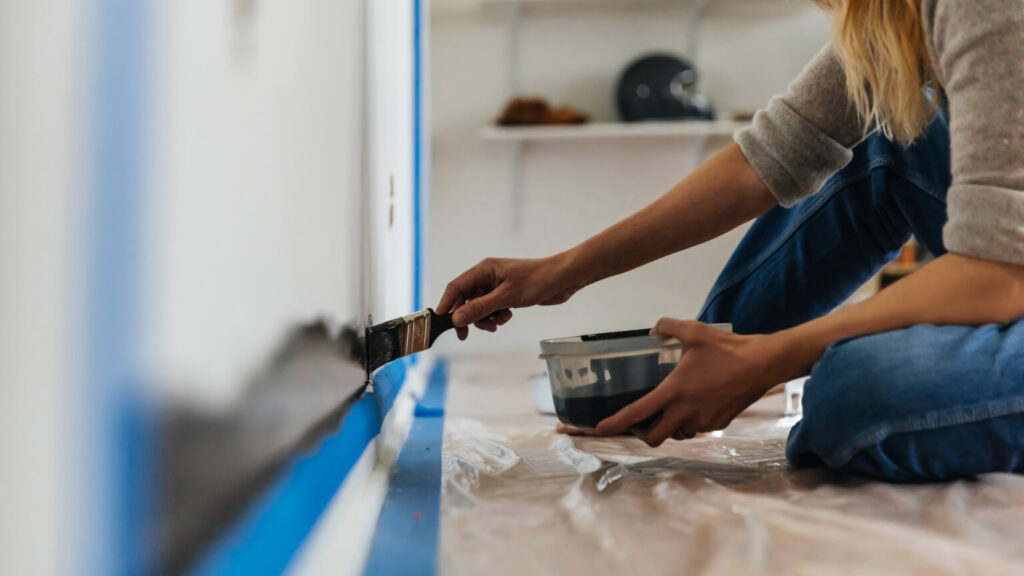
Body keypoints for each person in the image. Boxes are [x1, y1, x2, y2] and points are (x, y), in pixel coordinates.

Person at [436, 0, 1024, 482]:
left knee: (849, 400)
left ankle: (739, 365)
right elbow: (773, 153)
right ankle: (694, 370)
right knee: (888, 136)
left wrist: (774, 358)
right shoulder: (892, 16)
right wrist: (562, 271)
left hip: (1004, 274)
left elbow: (999, 273)